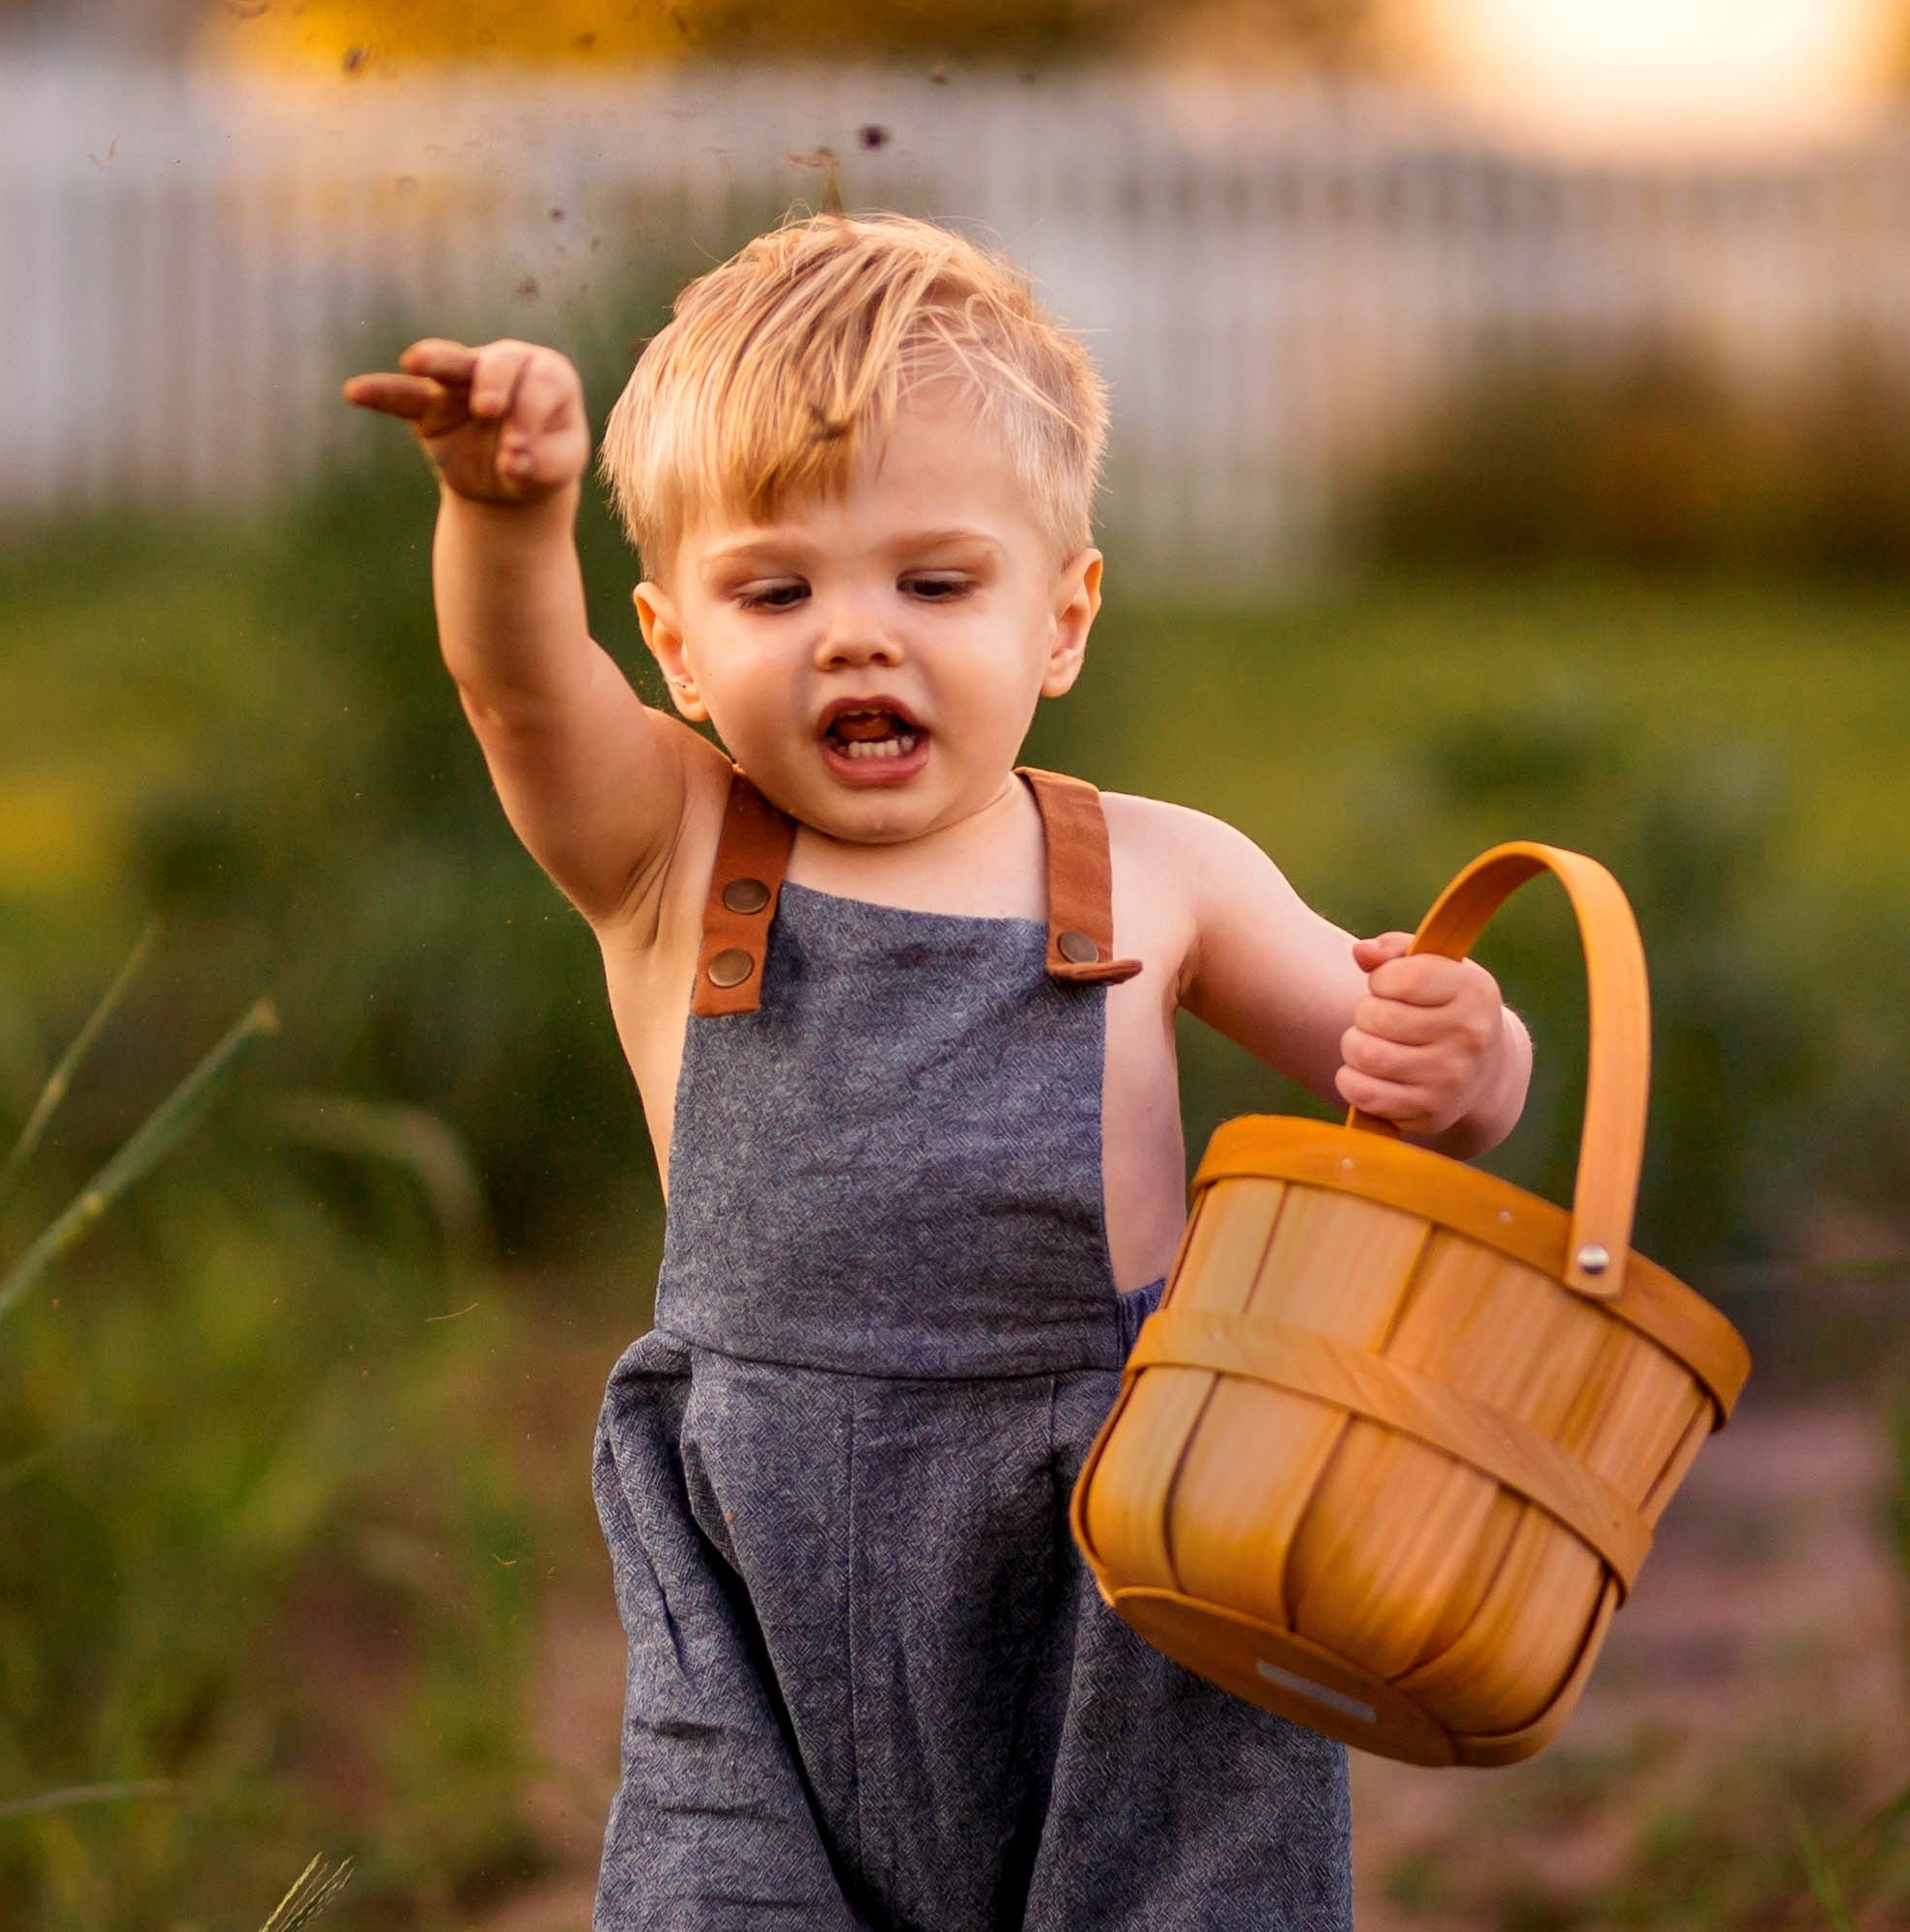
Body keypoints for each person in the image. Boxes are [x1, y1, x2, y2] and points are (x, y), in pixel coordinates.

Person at [344, 210, 1531, 1931]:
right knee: (726, 1888)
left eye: (933, 582)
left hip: (1123, 1548)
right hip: (766, 1556)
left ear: (1062, 616)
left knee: (1179, 1892)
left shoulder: (1164, 869)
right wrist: (503, 510)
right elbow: (518, 691)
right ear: (675, 646)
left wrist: (1468, 1055)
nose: (855, 637)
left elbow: (1402, 1062)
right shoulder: (672, 851)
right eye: (777, 589)